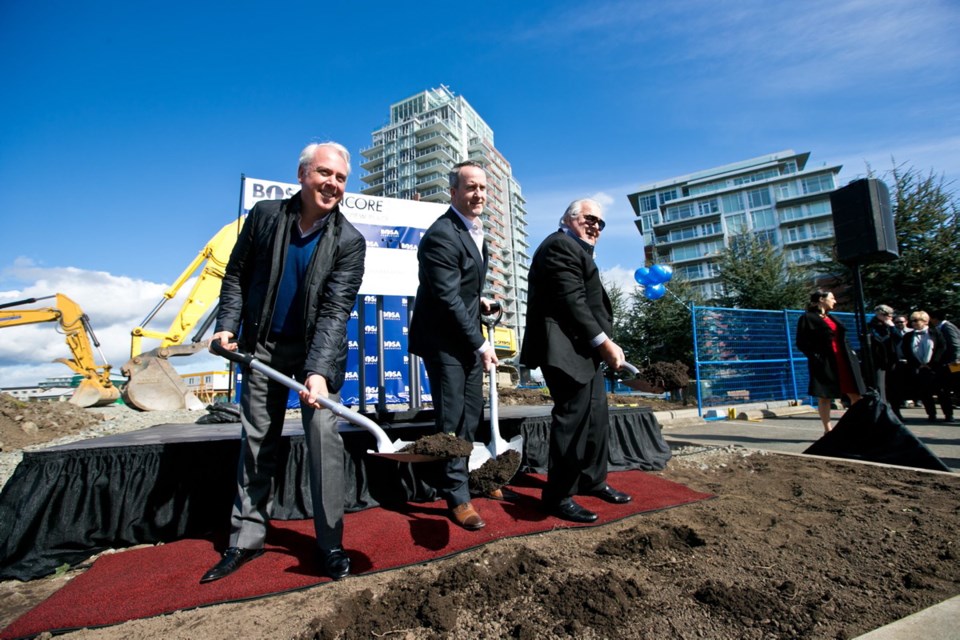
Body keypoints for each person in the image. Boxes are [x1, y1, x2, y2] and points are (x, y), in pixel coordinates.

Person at [201, 142, 366, 583]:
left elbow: (335, 311)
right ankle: (245, 540)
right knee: (257, 440)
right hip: (262, 347)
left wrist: (316, 371)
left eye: (341, 178)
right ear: (302, 174)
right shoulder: (266, 216)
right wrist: (227, 324)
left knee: (324, 440)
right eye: (324, 173)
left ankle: (330, 545)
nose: (332, 184)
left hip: (316, 351)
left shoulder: (349, 241)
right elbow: (236, 273)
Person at [519, 198, 630, 524]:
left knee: (595, 418)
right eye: (590, 218)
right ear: (568, 218)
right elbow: (572, 301)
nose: (596, 225)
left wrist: (602, 344)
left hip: (583, 350)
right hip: (563, 350)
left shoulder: (576, 248)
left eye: (601, 222)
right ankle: (558, 496)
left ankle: (591, 481)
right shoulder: (559, 246)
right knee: (573, 422)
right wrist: (603, 341)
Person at [408, 160, 499, 531]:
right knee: (451, 419)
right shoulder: (442, 234)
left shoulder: (475, 233)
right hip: (444, 342)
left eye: (482, 187)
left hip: (465, 339)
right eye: (470, 187)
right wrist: (479, 342)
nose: (478, 194)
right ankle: (457, 497)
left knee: (471, 415)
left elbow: (462, 289)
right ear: (454, 192)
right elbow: (445, 298)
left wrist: (481, 302)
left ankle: (462, 477)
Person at [795, 290, 864, 433]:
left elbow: (843, 339)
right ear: (821, 299)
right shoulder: (807, 318)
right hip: (825, 362)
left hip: (844, 360)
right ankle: (828, 430)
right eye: (832, 298)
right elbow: (801, 342)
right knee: (824, 395)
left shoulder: (832, 318)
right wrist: (815, 356)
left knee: (855, 394)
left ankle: (853, 426)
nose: (835, 301)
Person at [929, 309, 959, 423]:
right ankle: (948, 415)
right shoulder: (941, 327)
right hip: (947, 364)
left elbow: (955, 344)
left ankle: (949, 414)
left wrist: (956, 360)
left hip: (953, 364)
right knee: (944, 388)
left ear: (934, 318)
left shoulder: (947, 327)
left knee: (955, 387)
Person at [867, 304, 896, 402]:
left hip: (891, 358)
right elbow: (878, 340)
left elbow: (898, 338)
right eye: (887, 315)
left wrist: (892, 327)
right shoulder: (873, 326)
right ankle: (882, 405)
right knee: (880, 384)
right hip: (880, 359)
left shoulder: (888, 326)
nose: (889, 317)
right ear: (880, 315)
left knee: (892, 385)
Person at [888, 314, 913, 418]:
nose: (899, 324)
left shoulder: (911, 332)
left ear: (906, 322)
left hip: (910, 361)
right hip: (897, 361)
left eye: (901, 322)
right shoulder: (892, 332)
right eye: (897, 322)